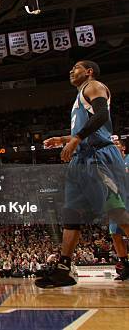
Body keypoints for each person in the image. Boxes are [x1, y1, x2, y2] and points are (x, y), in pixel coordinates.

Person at [36, 61, 129, 288]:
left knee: (118, 213)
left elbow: (102, 117)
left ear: (88, 71)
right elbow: (87, 131)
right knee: (71, 214)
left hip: (99, 158)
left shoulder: (93, 86)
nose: (71, 70)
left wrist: (75, 138)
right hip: (82, 159)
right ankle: (63, 268)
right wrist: (64, 139)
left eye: (76, 67)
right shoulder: (79, 98)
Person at [111, 137, 129, 280]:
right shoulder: (110, 164)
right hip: (116, 202)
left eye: (116, 143)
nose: (114, 146)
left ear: (123, 147)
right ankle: (125, 267)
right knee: (115, 235)